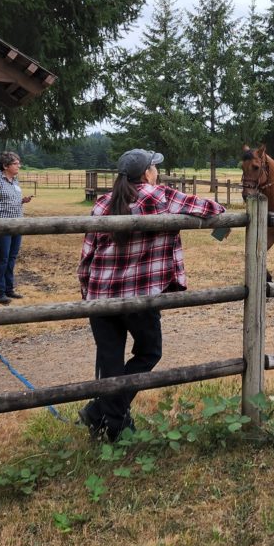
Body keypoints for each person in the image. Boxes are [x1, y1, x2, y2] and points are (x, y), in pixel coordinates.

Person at [77, 148, 225, 441]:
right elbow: (210, 208)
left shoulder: (103, 202)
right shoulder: (158, 196)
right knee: (149, 352)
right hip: (139, 296)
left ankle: (110, 422)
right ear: (146, 173)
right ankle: (101, 414)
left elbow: (87, 256)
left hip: (100, 295)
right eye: (154, 167)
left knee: (111, 363)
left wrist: (87, 293)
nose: (157, 171)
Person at [0, 151, 33, 304]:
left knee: (11, 258)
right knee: (2, 258)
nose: (19, 166)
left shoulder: (15, 180)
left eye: (19, 163)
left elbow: (8, 199)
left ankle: (8, 289)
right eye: (16, 163)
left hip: (17, 225)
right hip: (1, 225)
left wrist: (22, 200)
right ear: (5, 165)